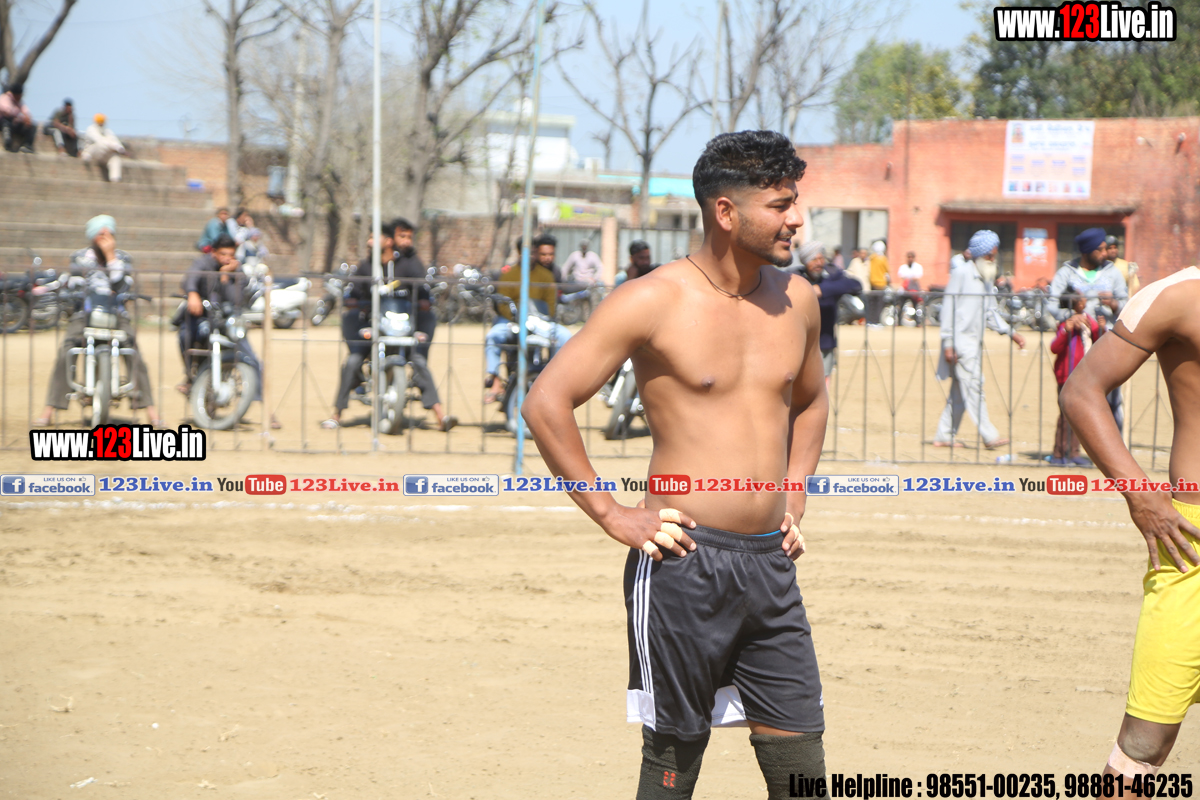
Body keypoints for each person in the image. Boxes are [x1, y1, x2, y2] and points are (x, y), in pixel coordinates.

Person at [522, 130, 827, 800]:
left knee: (802, 766)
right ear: (726, 212)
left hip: (771, 564)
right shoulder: (651, 299)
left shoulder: (798, 299)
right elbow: (546, 402)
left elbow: (810, 401)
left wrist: (796, 491)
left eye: (794, 203)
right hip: (682, 563)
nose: (796, 220)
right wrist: (611, 513)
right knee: (672, 762)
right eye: (780, 205)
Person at [1059, 265, 1200, 779]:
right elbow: (1081, 391)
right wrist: (1140, 495)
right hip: (1193, 547)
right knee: (1143, 746)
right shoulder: (1177, 296)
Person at [33, 216, 161, 427]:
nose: (105, 238)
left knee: (134, 351)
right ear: (92, 236)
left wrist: (110, 257)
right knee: (66, 350)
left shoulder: (123, 258)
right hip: (85, 312)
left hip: (116, 313)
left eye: (108, 234)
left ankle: (150, 411)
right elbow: (75, 284)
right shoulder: (79, 257)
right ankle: (50, 409)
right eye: (100, 234)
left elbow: (122, 286)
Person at [934, 229, 1026, 449]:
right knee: (975, 386)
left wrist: (1011, 333)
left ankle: (944, 435)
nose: (993, 259)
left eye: (994, 255)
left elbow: (990, 313)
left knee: (960, 391)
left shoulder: (986, 278)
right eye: (989, 255)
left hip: (973, 344)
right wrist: (948, 343)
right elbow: (948, 309)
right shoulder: (961, 274)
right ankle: (989, 435)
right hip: (959, 343)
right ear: (980, 255)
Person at [178, 234, 275, 427]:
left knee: (253, 361)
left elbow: (236, 300)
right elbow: (190, 279)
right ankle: (191, 376)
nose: (226, 258)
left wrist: (224, 278)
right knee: (185, 335)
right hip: (203, 318)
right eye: (223, 254)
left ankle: (267, 412)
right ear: (214, 252)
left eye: (230, 254)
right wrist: (193, 294)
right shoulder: (203, 263)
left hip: (229, 323)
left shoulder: (237, 271)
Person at [384, 217, 457, 431]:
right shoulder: (379, 263)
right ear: (390, 238)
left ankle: (440, 415)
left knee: (418, 362)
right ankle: (336, 415)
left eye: (409, 237)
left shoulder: (413, 263)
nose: (406, 241)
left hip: (408, 323)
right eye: (402, 236)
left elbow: (423, 292)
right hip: (382, 322)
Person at [483, 233, 573, 404]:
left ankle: (556, 379)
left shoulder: (546, 276)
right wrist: (516, 317)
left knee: (564, 336)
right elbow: (502, 304)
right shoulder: (509, 275)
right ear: (519, 253)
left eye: (533, 252)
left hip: (539, 321)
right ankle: (495, 381)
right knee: (493, 335)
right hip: (512, 320)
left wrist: (541, 317)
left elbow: (551, 304)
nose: (530, 256)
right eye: (526, 252)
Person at [795, 240, 862, 382]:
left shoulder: (831, 274)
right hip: (798, 343)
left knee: (823, 382)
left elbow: (855, 285)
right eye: (814, 259)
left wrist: (822, 289)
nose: (819, 263)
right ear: (805, 262)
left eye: (821, 258)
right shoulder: (796, 276)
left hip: (825, 342)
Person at [1049, 292, 1099, 466]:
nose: (1086, 300)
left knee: (1079, 415)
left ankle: (1074, 452)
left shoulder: (1088, 321)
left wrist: (1099, 327)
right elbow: (1055, 347)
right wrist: (1066, 330)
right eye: (1082, 298)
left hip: (1084, 376)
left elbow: (1098, 339)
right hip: (1066, 376)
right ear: (1077, 304)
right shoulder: (1065, 323)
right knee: (1065, 415)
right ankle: (1058, 454)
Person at [1049, 227, 1128, 321]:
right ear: (1087, 252)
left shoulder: (1113, 272)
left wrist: (1113, 303)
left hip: (1106, 329)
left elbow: (1126, 306)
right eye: (1100, 250)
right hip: (1076, 330)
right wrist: (1071, 316)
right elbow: (1052, 306)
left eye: (1105, 249)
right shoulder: (1066, 273)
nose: (1104, 254)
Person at [81, 114, 125, 182]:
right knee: (101, 145)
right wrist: (114, 147)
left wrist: (120, 148)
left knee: (115, 157)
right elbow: (100, 140)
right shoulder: (91, 129)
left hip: (104, 154)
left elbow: (115, 141)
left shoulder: (107, 131)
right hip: (93, 153)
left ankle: (115, 180)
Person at [0, 83, 35, 153]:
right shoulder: (4, 98)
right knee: (6, 122)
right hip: (4, 123)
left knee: (32, 126)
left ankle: (27, 145)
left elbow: (26, 112)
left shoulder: (20, 101)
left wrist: (27, 119)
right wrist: (21, 118)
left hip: (15, 124)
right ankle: (8, 143)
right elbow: (7, 112)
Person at [866, 240, 890, 324]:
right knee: (879, 305)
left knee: (872, 305)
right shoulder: (883, 259)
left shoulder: (871, 258)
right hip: (881, 284)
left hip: (872, 283)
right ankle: (876, 321)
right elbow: (887, 270)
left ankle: (870, 320)